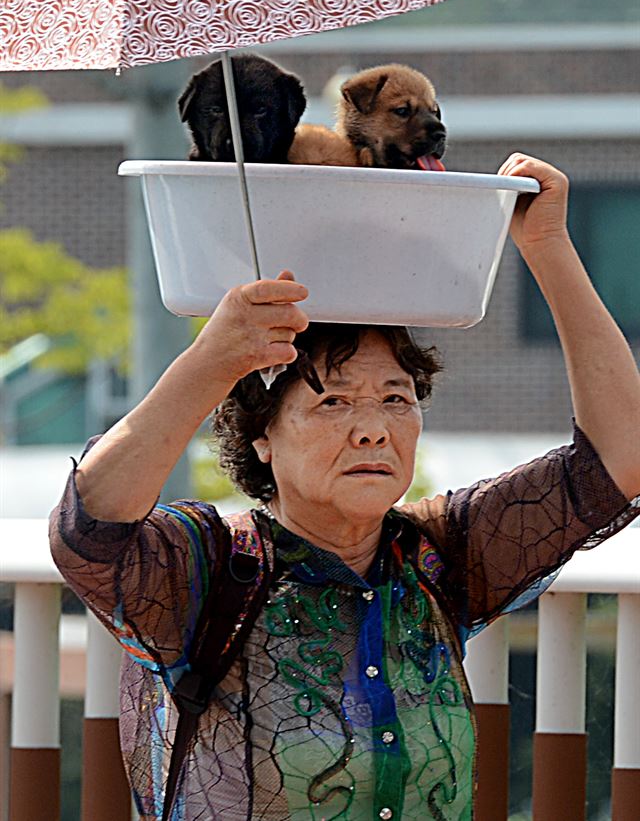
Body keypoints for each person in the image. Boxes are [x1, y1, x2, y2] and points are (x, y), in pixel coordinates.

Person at [50, 154, 640, 821]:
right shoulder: (211, 567)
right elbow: (88, 532)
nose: (373, 429)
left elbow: (620, 461)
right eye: (334, 402)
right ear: (262, 436)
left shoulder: (439, 553)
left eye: (396, 397)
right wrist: (214, 358)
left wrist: (547, 245)